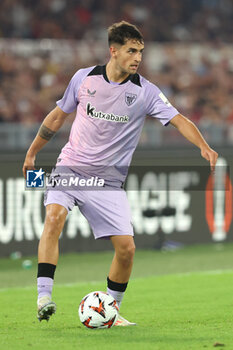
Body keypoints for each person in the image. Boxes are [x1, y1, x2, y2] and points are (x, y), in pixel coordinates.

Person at [22, 21, 218, 326]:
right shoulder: (84, 78)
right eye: (131, 50)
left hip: (108, 182)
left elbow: (178, 119)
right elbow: (59, 115)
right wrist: (33, 151)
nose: (137, 57)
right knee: (54, 217)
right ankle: (44, 297)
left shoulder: (145, 92)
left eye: (140, 51)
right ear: (113, 51)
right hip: (71, 167)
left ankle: (111, 310)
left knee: (126, 249)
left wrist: (204, 147)